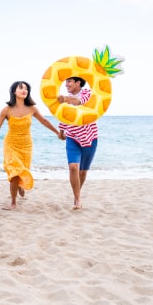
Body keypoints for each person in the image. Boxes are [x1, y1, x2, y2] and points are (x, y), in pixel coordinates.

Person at [0, 81, 61, 210]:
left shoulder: (32, 109)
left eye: (26, 88)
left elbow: (44, 121)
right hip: (11, 144)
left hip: (26, 145)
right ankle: (13, 202)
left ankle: (20, 186)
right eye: (20, 88)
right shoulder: (6, 110)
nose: (24, 90)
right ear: (14, 92)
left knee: (21, 171)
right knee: (14, 172)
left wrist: (57, 133)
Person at [57, 76, 98, 210]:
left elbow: (79, 102)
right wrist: (61, 132)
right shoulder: (66, 98)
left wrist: (65, 99)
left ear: (78, 82)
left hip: (90, 137)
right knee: (73, 167)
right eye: (65, 81)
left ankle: (76, 195)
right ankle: (78, 199)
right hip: (72, 136)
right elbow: (64, 116)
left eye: (69, 81)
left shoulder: (87, 93)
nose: (66, 84)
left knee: (83, 171)